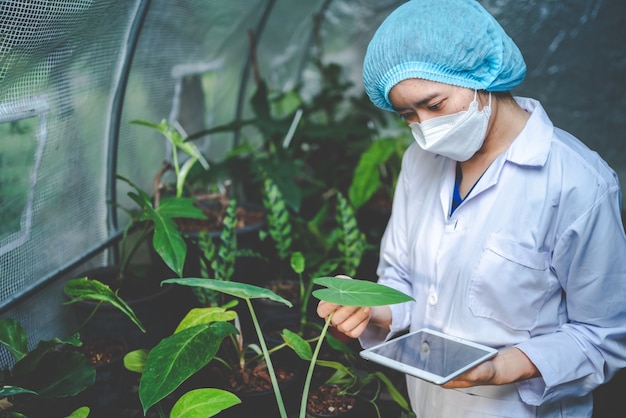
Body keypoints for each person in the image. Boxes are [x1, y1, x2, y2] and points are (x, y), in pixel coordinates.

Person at [316, 0, 626, 416]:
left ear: (482, 77)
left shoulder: (578, 183)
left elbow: (602, 335)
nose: (425, 127)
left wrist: (499, 368)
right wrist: (369, 308)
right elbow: (405, 280)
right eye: (408, 114)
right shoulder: (419, 163)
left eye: (435, 104)